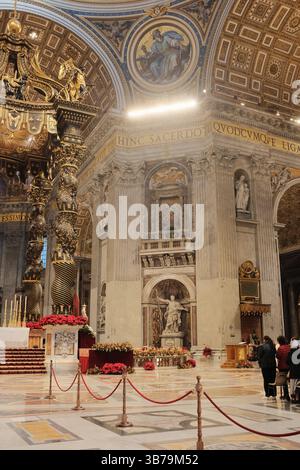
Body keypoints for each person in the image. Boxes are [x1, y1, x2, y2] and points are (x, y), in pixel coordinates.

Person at [276, 336, 290, 401]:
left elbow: (278, 356)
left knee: (283, 381)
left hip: (282, 366)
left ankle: (286, 394)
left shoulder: (280, 348)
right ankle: (293, 393)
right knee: (290, 380)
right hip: (289, 366)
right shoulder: (289, 346)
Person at [287, 339, 300, 404]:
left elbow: (287, 362)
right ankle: (297, 398)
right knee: (297, 385)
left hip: (292, 371)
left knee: (292, 384)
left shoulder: (290, 352)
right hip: (298, 371)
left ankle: (293, 397)